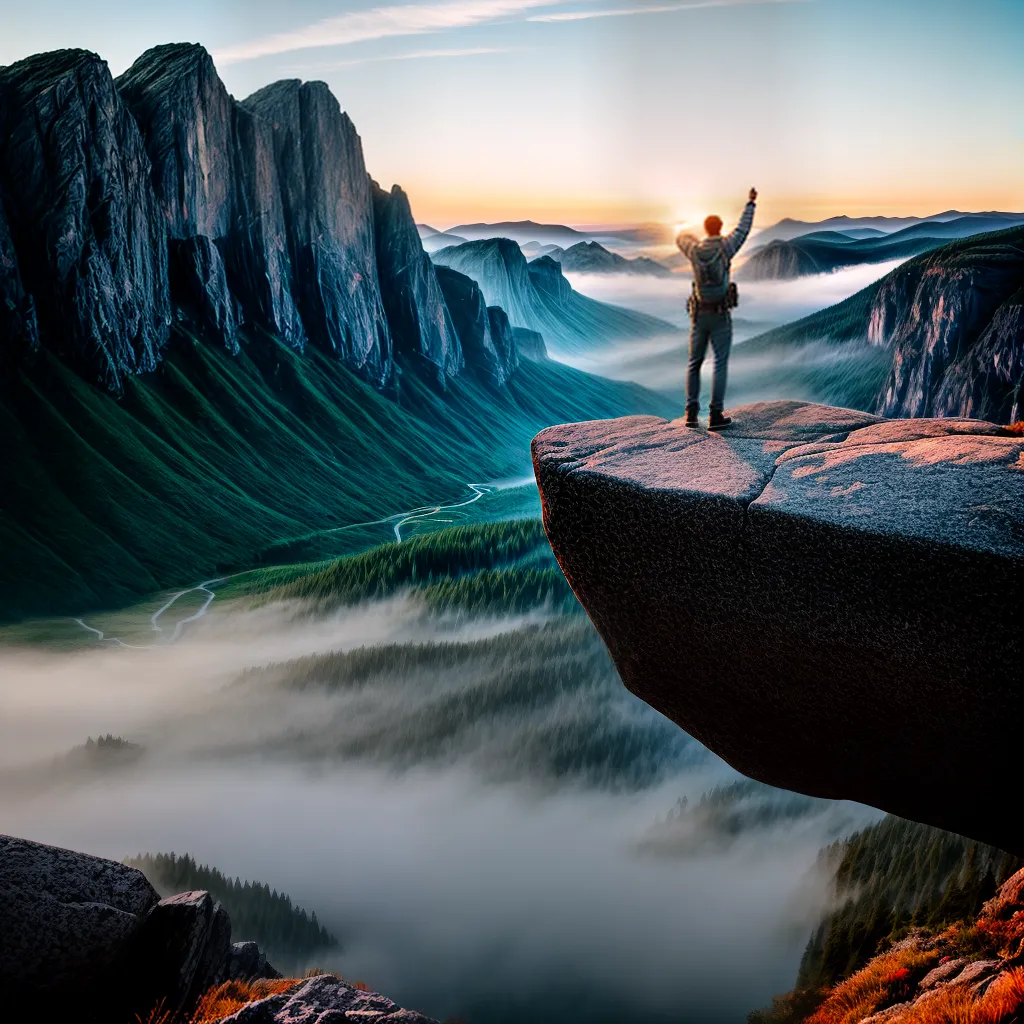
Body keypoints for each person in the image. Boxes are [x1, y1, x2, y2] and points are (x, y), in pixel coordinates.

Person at [676, 187, 757, 429]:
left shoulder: (694, 251)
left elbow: (680, 237)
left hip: (698, 315)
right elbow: (743, 229)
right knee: (719, 363)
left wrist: (685, 222)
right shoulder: (726, 247)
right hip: (721, 316)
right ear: (720, 229)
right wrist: (750, 203)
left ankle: (690, 413)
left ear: (705, 229)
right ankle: (715, 415)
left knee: (694, 362)